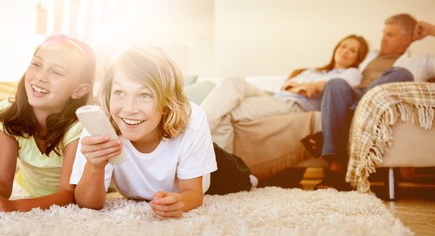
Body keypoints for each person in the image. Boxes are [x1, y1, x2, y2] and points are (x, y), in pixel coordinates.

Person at [70, 46, 254, 219]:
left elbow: (193, 193)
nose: (129, 108)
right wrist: (95, 166)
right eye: (119, 92)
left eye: (144, 95)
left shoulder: (193, 119)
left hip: (218, 172)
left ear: (167, 101)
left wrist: (180, 202)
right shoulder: (100, 124)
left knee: (243, 178)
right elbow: (88, 204)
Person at [0, 34, 96, 213]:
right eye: (36, 64)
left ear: (79, 90)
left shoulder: (79, 127)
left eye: (56, 72)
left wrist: (13, 206)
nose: (40, 76)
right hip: (31, 193)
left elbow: (69, 195)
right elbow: (1, 183)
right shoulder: (7, 114)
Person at [302, 14, 435, 190]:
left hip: (381, 103)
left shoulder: (421, 61)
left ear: (407, 39)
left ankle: (345, 124)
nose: (383, 39)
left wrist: (432, 30)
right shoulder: (370, 55)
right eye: (383, 33)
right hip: (355, 97)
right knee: (335, 84)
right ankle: (336, 170)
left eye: (390, 35)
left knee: (402, 74)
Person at [200, 34, 369, 152]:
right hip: (276, 98)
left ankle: (199, 138)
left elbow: (339, 87)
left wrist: (310, 86)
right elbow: (286, 86)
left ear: (358, 58)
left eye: (352, 50)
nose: (345, 51)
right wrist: (299, 87)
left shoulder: (352, 73)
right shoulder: (314, 71)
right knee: (233, 81)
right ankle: (199, 129)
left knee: (227, 113)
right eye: (343, 46)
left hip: (293, 105)